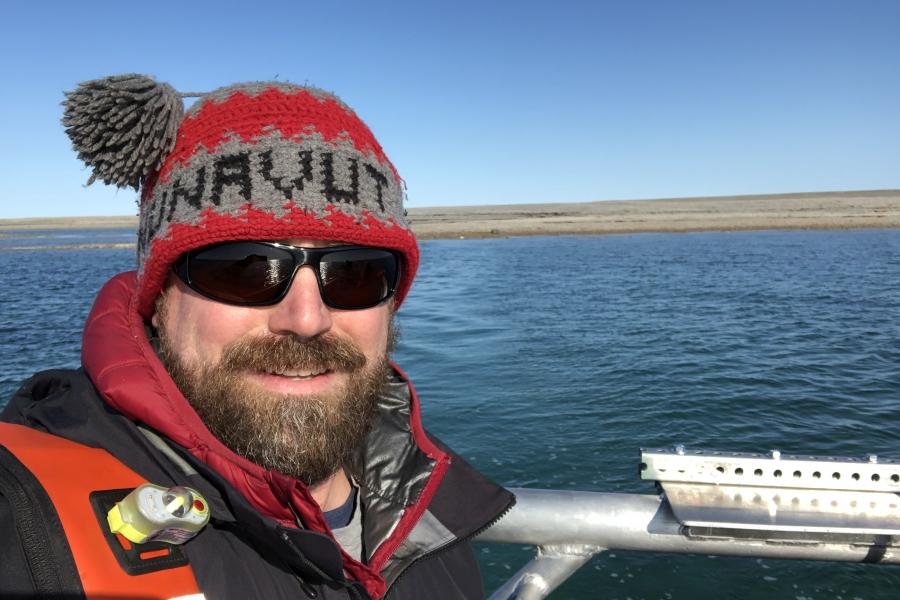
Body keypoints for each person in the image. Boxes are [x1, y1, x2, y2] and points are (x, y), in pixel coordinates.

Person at [0, 75, 514, 599]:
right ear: (159, 300)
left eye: (355, 272)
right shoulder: (25, 516)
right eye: (244, 270)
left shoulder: (424, 512)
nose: (306, 318)